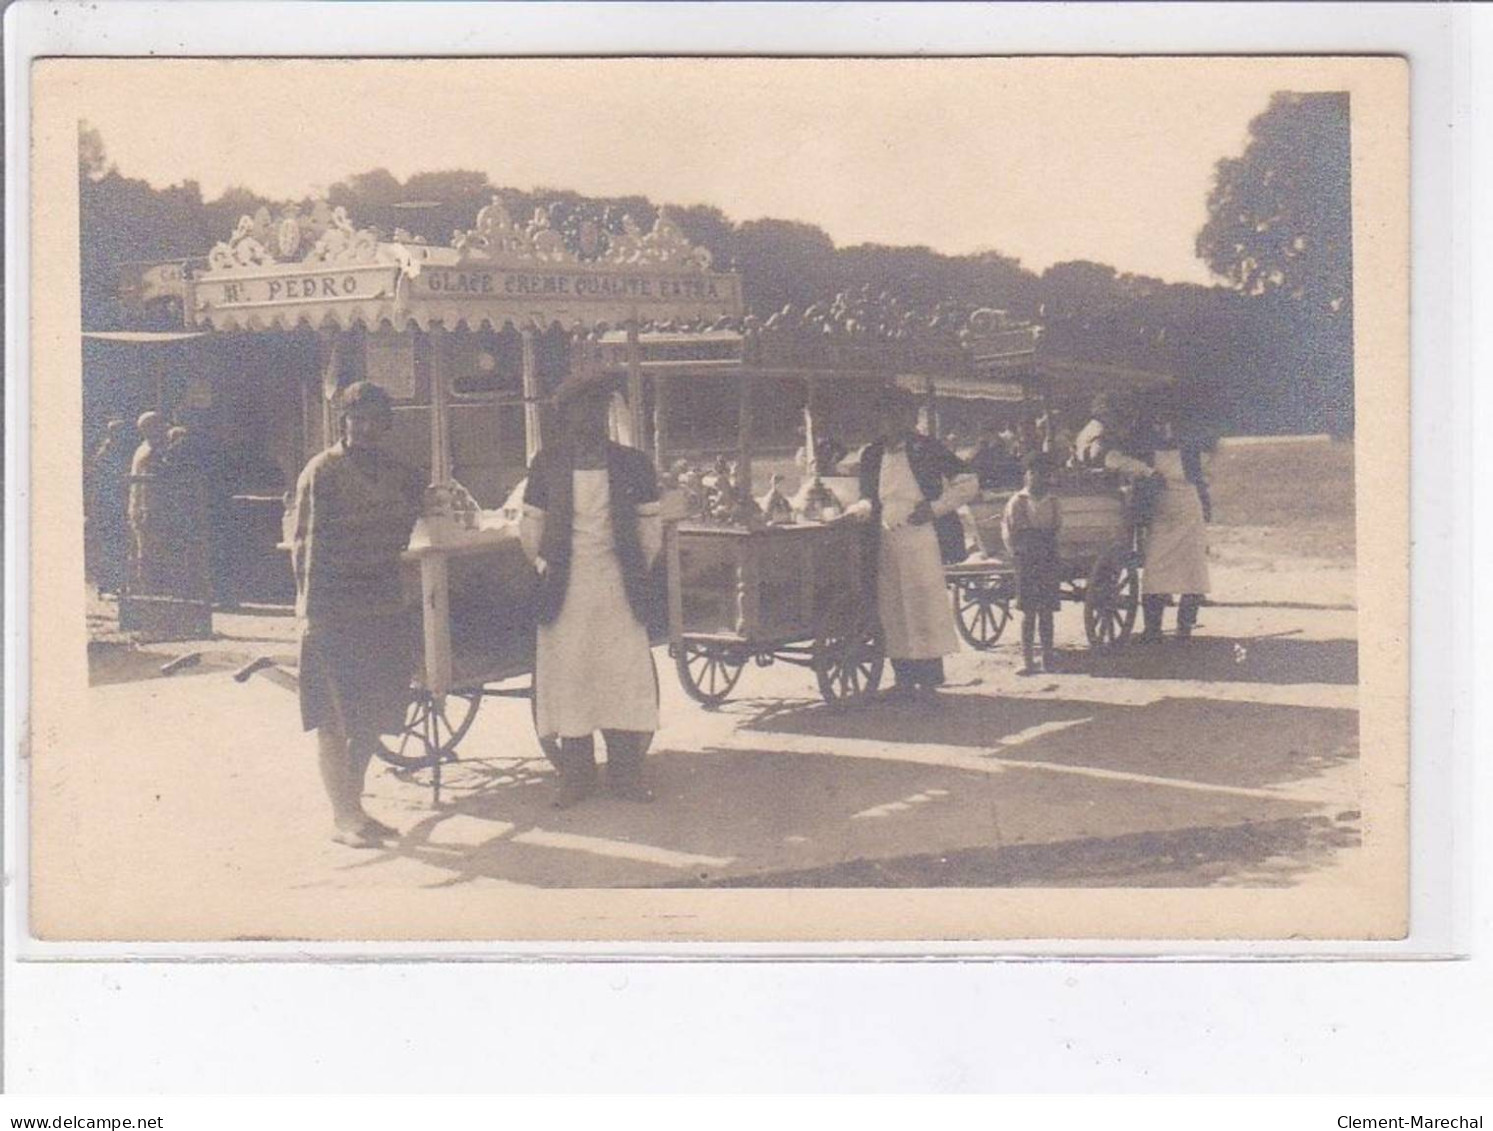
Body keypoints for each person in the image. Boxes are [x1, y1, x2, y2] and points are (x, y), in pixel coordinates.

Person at [520, 369, 664, 808]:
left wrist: (635, 568)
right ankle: (576, 776)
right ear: (566, 416)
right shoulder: (548, 463)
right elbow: (531, 526)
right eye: (582, 410)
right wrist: (547, 565)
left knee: (620, 677)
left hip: (618, 588)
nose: (591, 419)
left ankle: (626, 774)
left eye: (598, 409)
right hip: (565, 589)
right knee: (572, 679)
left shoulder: (632, 463)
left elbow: (650, 527)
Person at [290, 381, 424, 848]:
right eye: (355, 419)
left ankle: (356, 807)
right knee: (334, 717)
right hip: (333, 609)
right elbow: (304, 546)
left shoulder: (396, 472)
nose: (364, 428)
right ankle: (342, 816)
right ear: (342, 422)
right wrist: (310, 612)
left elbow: (411, 522)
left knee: (371, 715)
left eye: (373, 419)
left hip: (383, 605)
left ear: (385, 425)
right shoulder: (322, 472)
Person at [845, 385, 978, 696]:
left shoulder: (927, 448)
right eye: (884, 416)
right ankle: (903, 676)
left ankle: (929, 678)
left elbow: (968, 483)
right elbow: (868, 496)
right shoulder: (872, 453)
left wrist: (935, 508)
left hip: (920, 536)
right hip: (885, 539)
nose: (889, 422)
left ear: (908, 417)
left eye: (897, 415)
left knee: (922, 604)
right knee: (892, 606)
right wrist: (859, 510)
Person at [1139, 432, 1213, 642]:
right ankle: (1153, 629)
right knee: (1155, 568)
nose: (1168, 430)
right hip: (1162, 513)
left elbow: (1200, 483)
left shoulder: (1191, 450)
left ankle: (1185, 626)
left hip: (1188, 511)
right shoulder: (1146, 449)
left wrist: (1205, 511)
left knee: (1192, 569)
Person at [1003, 453, 1062, 674]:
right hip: (1026, 560)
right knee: (1028, 612)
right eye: (1033, 473)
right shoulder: (1018, 502)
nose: (1038, 479)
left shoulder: (1054, 502)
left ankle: (1048, 658)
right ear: (1027, 475)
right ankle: (1027, 660)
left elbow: (1056, 527)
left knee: (1047, 611)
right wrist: (1019, 554)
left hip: (1047, 559)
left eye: (1043, 474)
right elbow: (1011, 533)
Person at [85, 419, 134, 596]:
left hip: (109, 505)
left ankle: (112, 583)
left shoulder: (108, 452)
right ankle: (108, 583)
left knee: (113, 545)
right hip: (109, 506)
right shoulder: (108, 454)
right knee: (111, 545)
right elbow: (105, 482)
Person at [126, 411, 172, 594]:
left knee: (148, 551)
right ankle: (149, 590)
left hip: (145, 507)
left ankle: (149, 588)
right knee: (148, 552)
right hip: (148, 508)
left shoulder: (144, 449)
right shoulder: (151, 451)